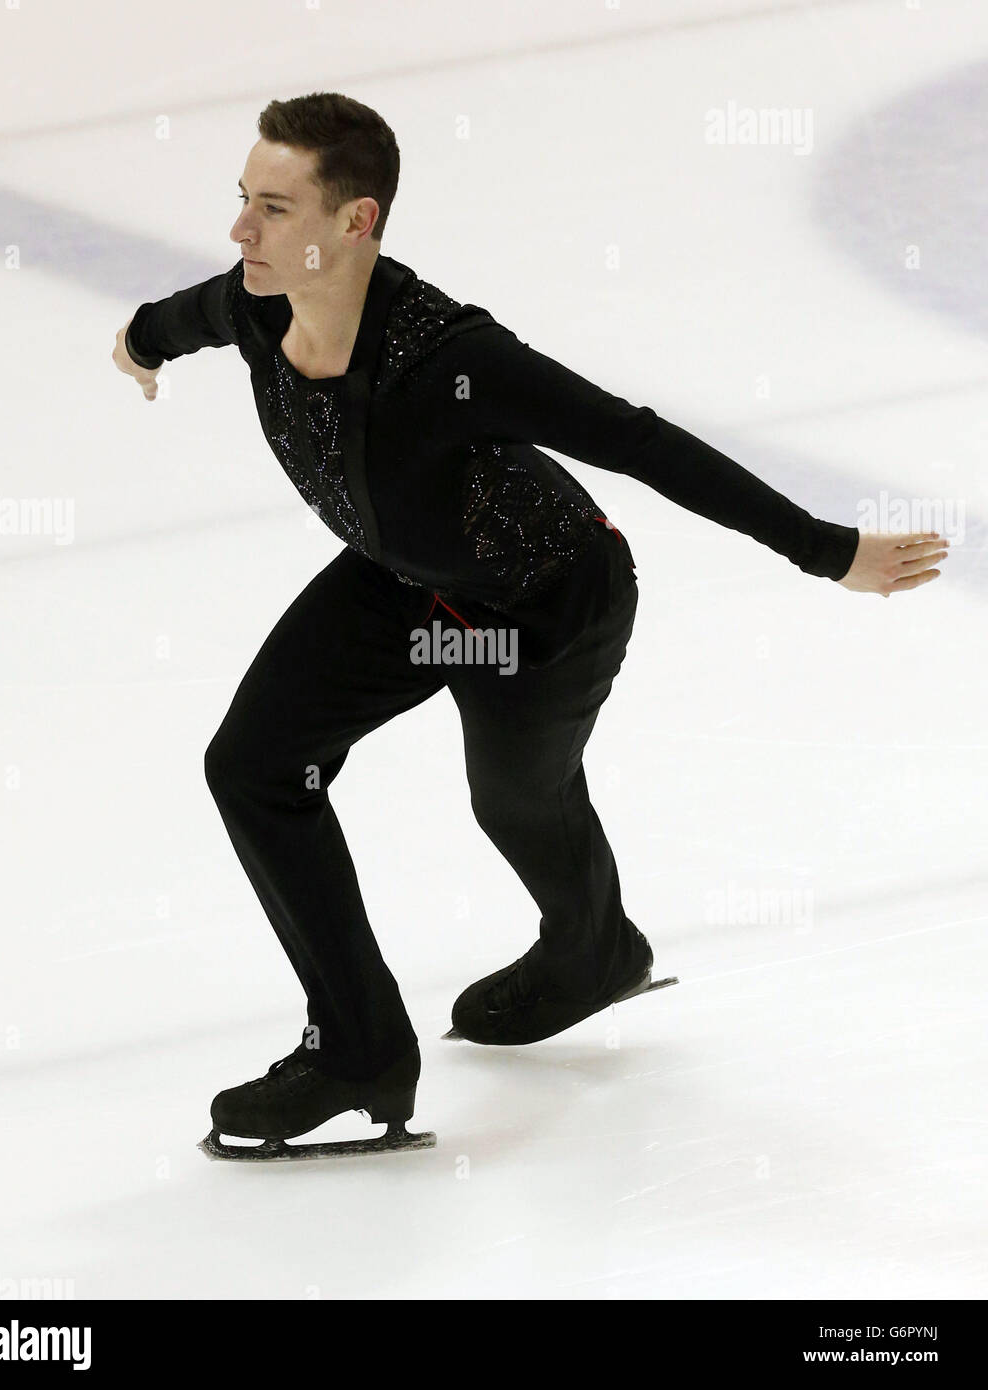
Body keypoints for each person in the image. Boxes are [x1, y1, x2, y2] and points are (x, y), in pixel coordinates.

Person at [111, 92, 948, 1159]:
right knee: (253, 764)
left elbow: (638, 441)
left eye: (272, 209)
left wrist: (827, 550)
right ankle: (357, 1047)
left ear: (356, 221)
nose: (240, 232)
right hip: (401, 580)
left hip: (545, 601)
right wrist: (138, 340)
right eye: (241, 201)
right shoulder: (252, 304)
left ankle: (592, 946)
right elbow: (175, 319)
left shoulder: (451, 358)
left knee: (513, 798)